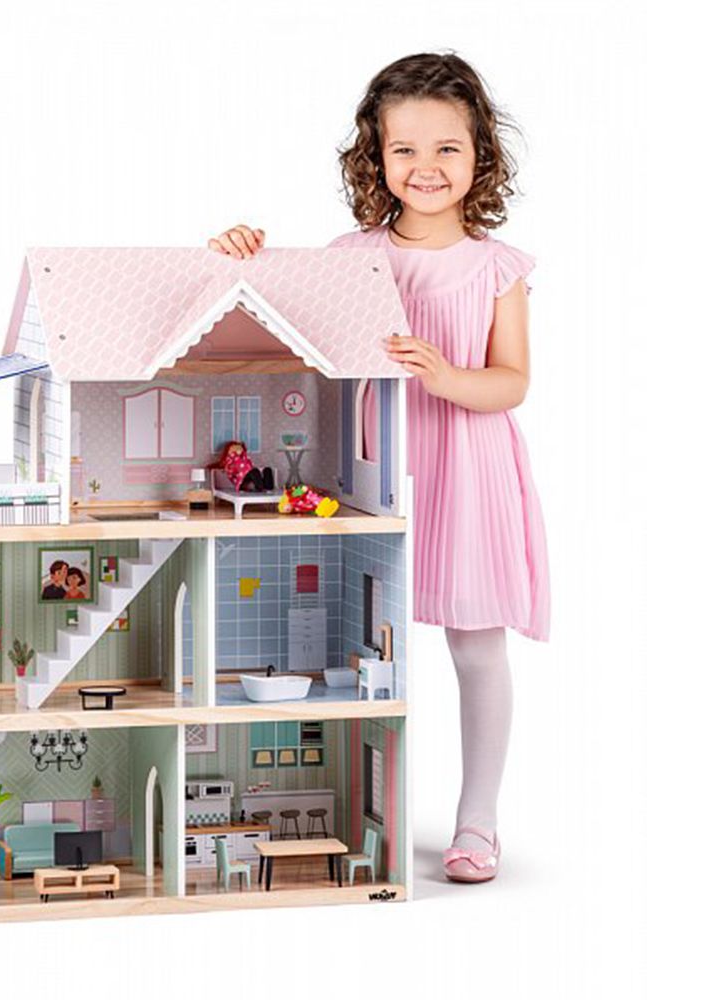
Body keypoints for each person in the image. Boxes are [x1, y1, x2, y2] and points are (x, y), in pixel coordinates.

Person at [208, 51, 550, 883]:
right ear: (377, 156)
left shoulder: (495, 266)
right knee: (357, 635)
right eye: (405, 149)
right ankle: (353, 799)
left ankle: (477, 822)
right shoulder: (352, 255)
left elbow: (512, 381)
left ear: (480, 154)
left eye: (447, 148)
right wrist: (239, 254)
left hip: (466, 462)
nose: (427, 167)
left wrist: (446, 376)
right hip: (373, 465)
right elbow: (284, 317)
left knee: (477, 647)